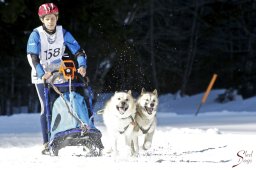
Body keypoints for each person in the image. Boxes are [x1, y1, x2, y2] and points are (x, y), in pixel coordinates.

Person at [26, 3, 87, 154]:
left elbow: (78, 51)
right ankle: (46, 142)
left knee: (71, 98)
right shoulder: (36, 35)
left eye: (53, 18)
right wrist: (42, 73)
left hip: (58, 72)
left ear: (57, 18)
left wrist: (82, 65)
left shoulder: (63, 33)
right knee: (45, 106)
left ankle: (79, 129)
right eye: (47, 19)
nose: (50, 21)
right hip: (41, 74)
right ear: (42, 20)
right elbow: (33, 58)